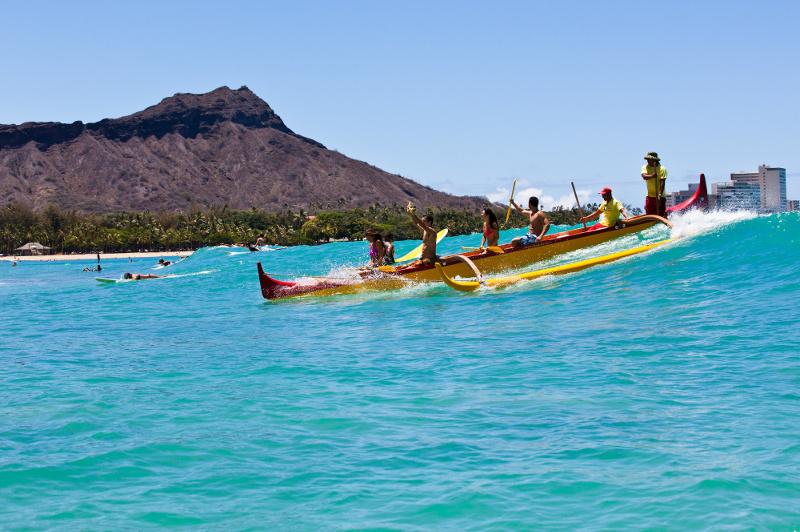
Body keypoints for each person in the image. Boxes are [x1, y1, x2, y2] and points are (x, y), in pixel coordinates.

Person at [406, 202, 438, 266]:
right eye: (422, 221)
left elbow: (422, 225)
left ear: (429, 222)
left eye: (424, 221)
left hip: (430, 259)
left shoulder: (432, 231)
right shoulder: (424, 231)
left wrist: (414, 214)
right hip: (423, 259)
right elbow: (416, 223)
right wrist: (411, 214)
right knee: (406, 265)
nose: (422, 222)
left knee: (415, 265)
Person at [641, 151, 668, 216]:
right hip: (650, 196)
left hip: (660, 196)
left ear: (654, 160)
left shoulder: (662, 169)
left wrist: (659, 195)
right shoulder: (645, 167)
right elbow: (644, 176)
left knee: (661, 214)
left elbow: (662, 183)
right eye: (647, 160)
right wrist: (652, 176)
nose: (647, 161)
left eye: (649, 160)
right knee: (649, 214)